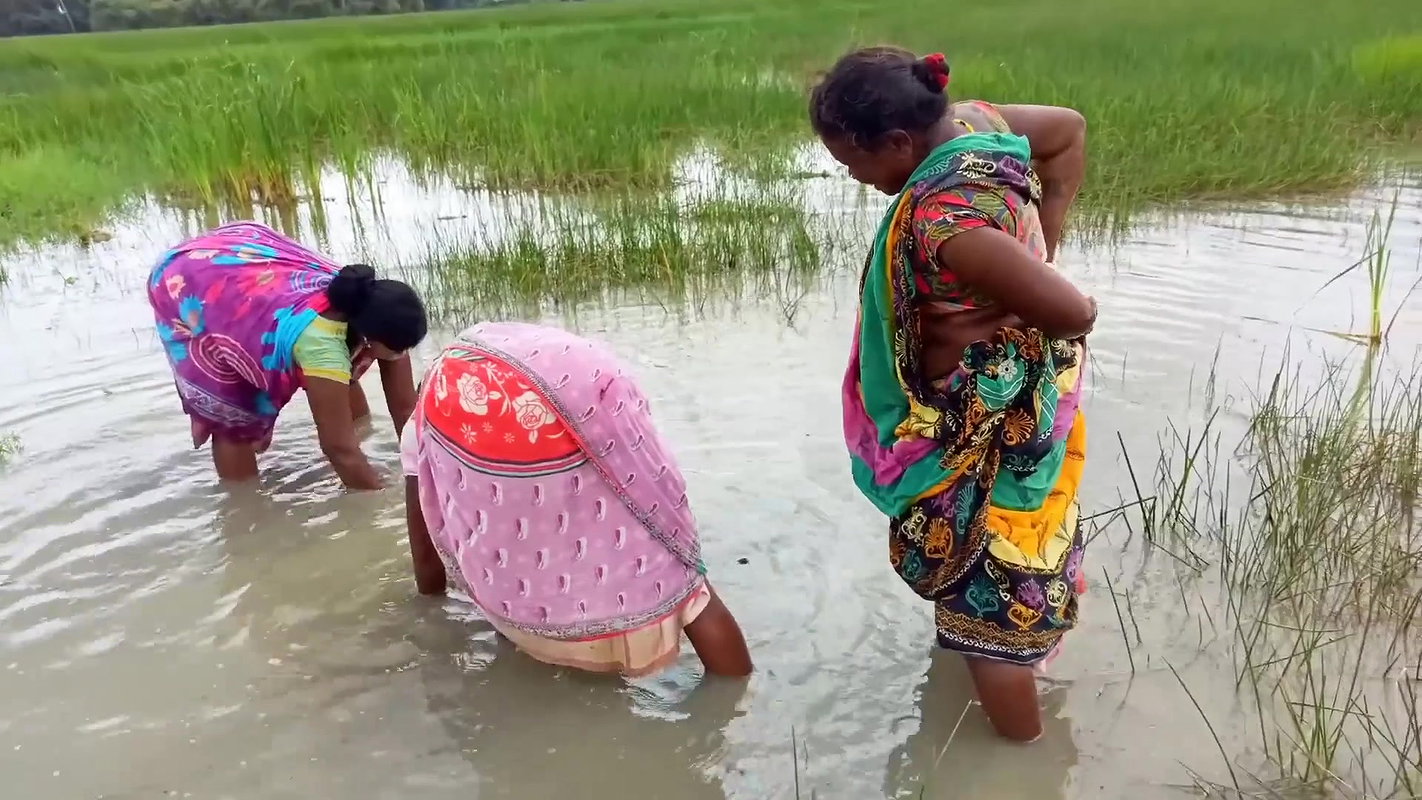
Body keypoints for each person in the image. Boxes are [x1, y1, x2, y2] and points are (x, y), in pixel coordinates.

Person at [809, 47, 1095, 741]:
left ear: (897, 142)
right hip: (1035, 405)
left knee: (986, 618)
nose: (854, 178)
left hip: (983, 431)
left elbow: (1073, 314)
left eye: (852, 163)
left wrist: (1029, 291)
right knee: (1027, 542)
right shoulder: (974, 124)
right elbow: (1068, 130)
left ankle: (1021, 760)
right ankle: (1030, 648)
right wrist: (1042, 244)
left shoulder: (949, 223)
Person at [401, 321, 752, 678]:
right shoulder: (484, 348)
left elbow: (428, 558)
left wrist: (431, 607)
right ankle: (737, 694)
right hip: (589, 389)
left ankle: (546, 645)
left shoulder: (425, 427)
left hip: (536, 412)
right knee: (686, 583)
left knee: (511, 551)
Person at [148, 221, 427, 490]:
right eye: (397, 350)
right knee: (232, 416)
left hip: (249, 259)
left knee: (341, 379)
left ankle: (360, 440)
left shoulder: (374, 309)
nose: (402, 355)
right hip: (191, 277)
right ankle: (242, 501)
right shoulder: (322, 346)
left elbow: (406, 410)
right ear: (369, 338)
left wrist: (423, 475)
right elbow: (338, 448)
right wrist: (381, 499)